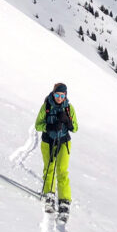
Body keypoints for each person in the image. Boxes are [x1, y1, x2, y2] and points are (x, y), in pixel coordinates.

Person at [35, 82, 78, 216]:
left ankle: (64, 199)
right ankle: (49, 194)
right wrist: (49, 127)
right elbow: (37, 125)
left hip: (64, 142)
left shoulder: (69, 108)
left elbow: (75, 128)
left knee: (62, 171)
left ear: (66, 95)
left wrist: (68, 122)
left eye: (62, 95)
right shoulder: (46, 107)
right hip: (48, 142)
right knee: (49, 168)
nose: (59, 98)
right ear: (53, 94)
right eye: (57, 94)